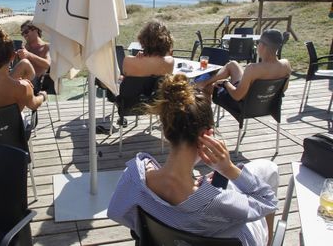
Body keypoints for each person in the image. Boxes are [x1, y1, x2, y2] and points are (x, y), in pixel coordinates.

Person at [108, 74, 279, 246]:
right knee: (270, 170)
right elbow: (268, 201)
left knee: (265, 170)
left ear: (166, 130)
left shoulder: (134, 176)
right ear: (207, 135)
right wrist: (228, 169)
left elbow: (115, 212)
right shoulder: (217, 201)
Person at [196, 29, 291, 105]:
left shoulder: (253, 68)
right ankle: (204, 82)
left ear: (262, 46)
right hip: (266, 104)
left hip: (243, 103)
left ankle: (204, 85)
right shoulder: (286, 65)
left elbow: (237, 96)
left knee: (207, 88)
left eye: (258, 42)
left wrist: (225, 83)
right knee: (232, 64)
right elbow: (283, 90)